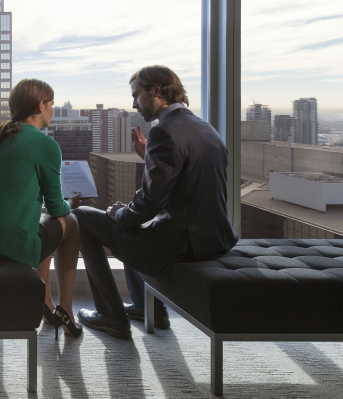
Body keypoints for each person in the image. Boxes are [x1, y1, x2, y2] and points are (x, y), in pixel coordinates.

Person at [72, 65, 238, 339]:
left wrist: (119, 214)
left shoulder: (165, 132)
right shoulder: (205, 128)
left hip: (183, 244)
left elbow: (150, 202)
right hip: (214, 238)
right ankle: (146, 307)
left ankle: (110, 315)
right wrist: (148, 156)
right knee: (133, 220)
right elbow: (186, 185)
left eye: (137, 95)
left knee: (84, 218)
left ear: (157, 91)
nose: (134, 103)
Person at [0, 79, 83, 339]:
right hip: (3, 244)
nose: (53, 109)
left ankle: (45, 302)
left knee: (44, 226)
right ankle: (67, 311)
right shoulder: (46, 145)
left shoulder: (1, 136)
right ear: (40, 105)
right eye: (51, 104)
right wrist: (70, 204)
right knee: (70, 223)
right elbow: (55, 205)